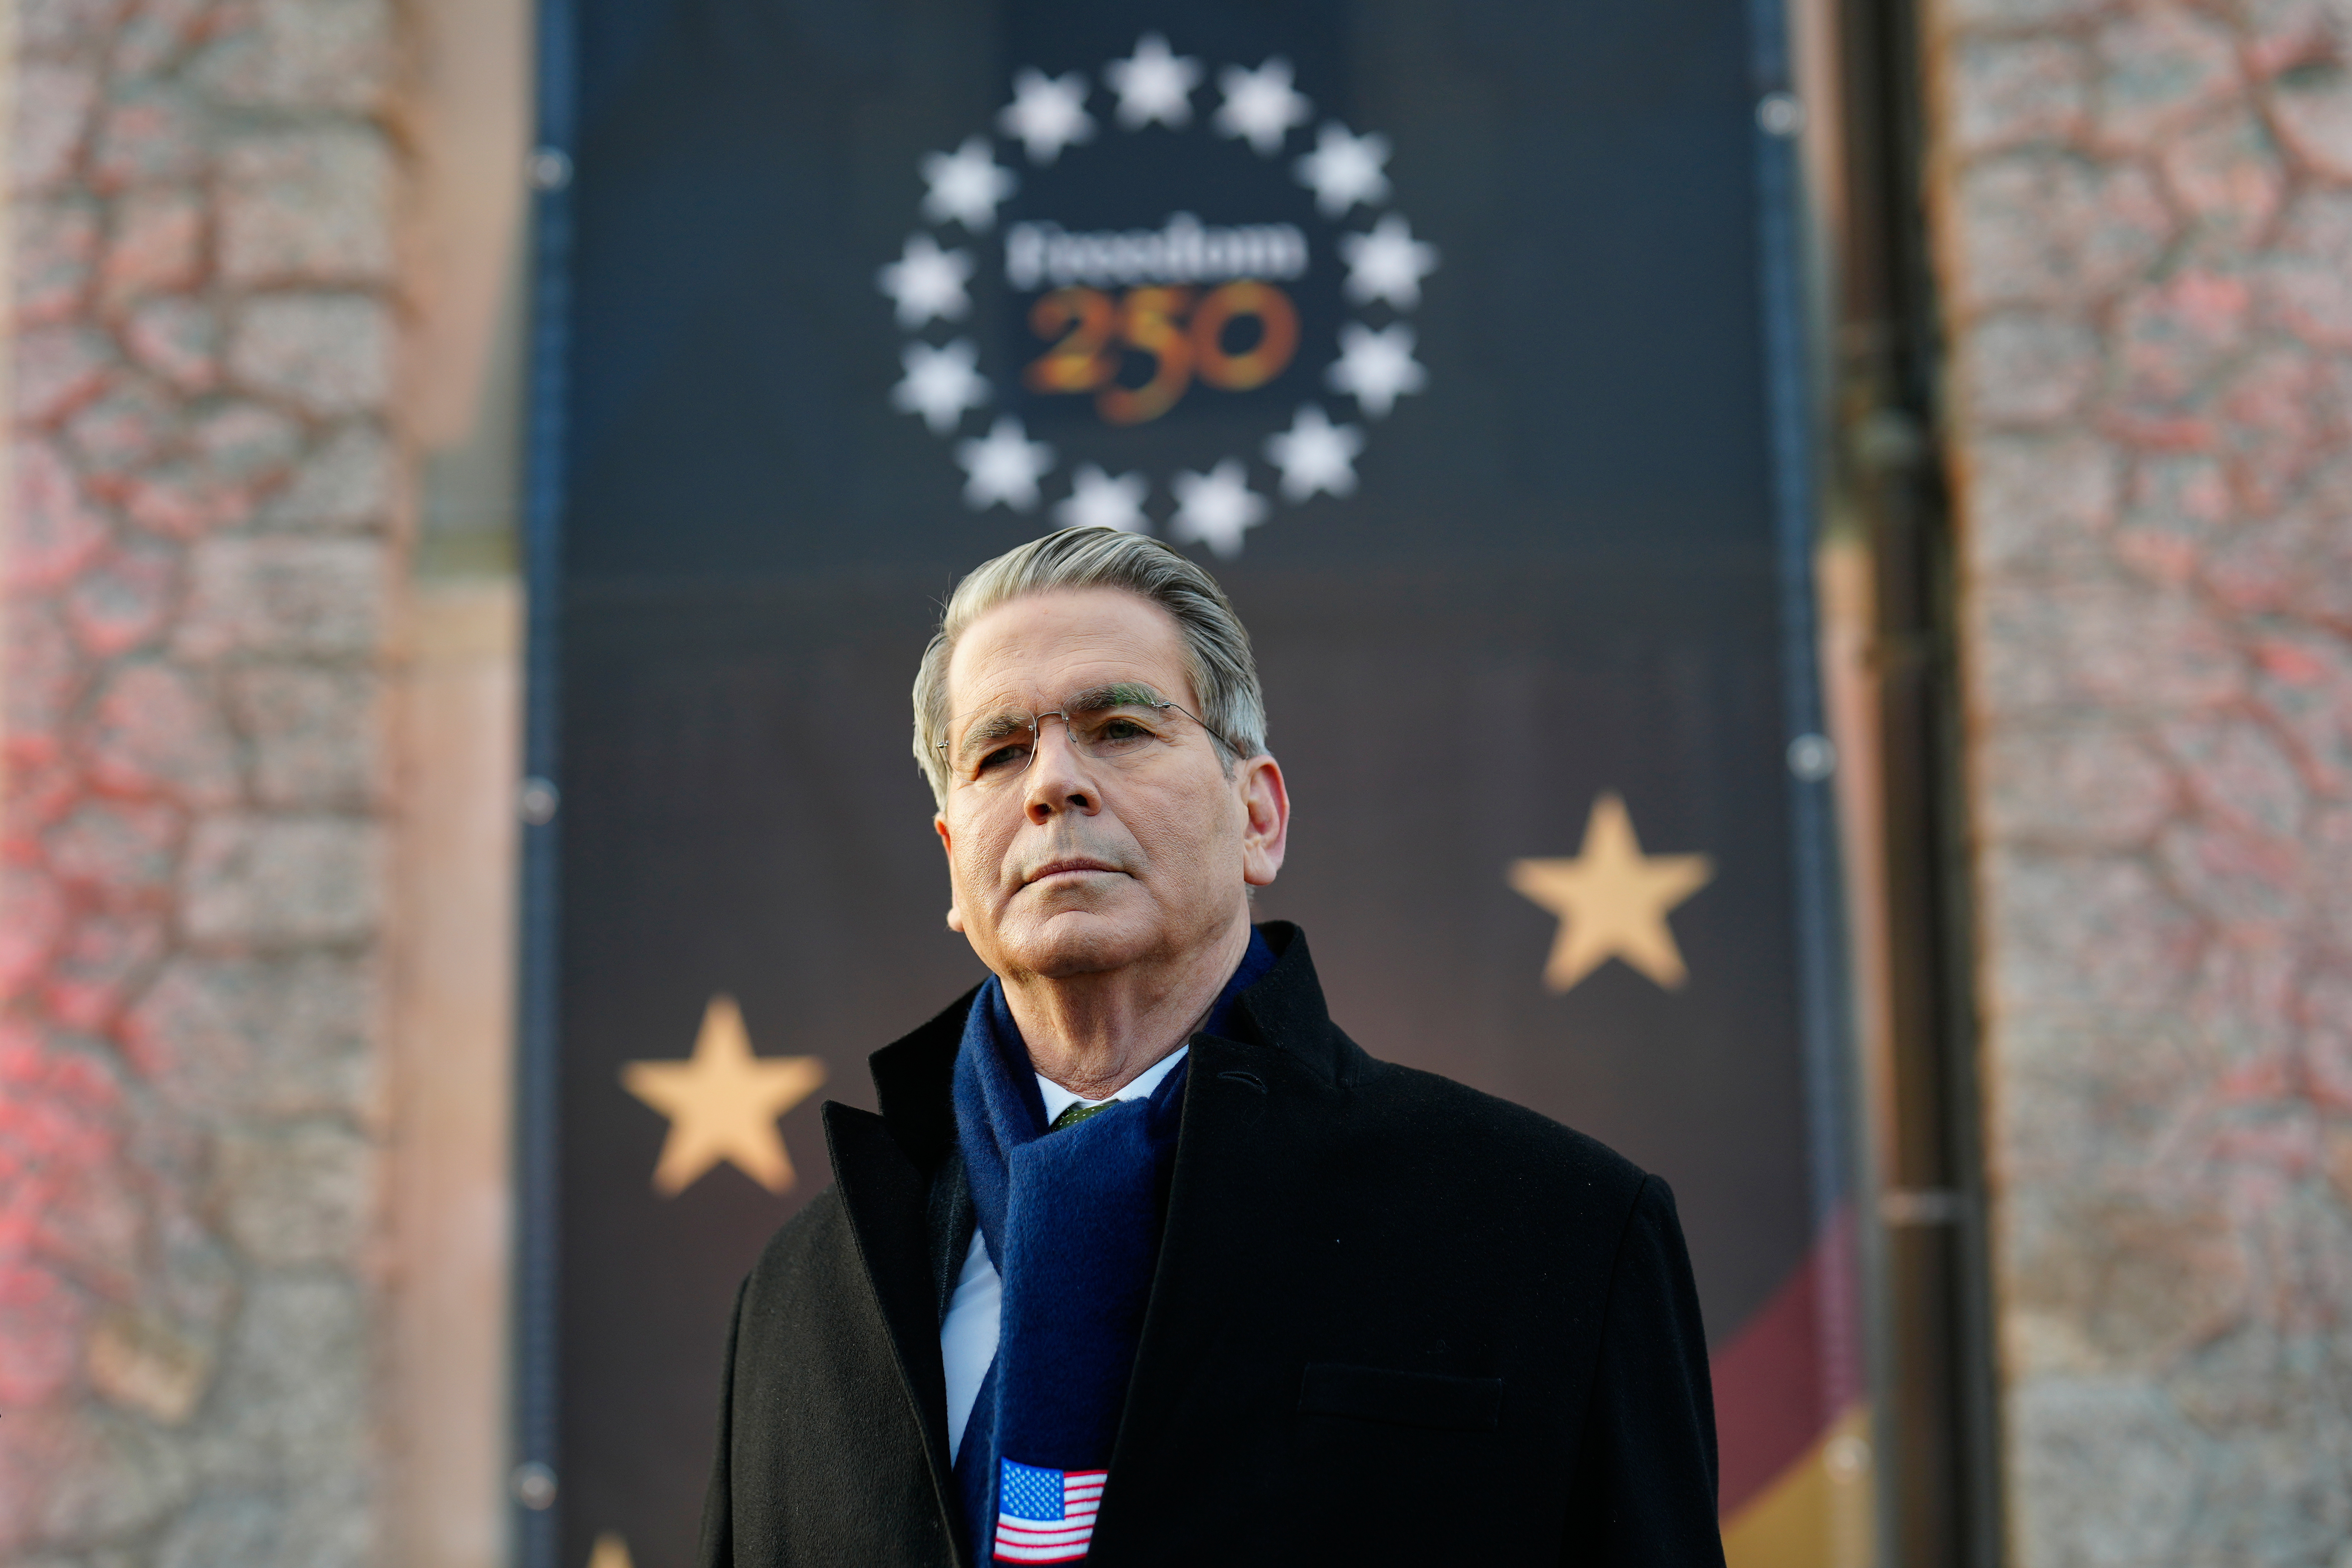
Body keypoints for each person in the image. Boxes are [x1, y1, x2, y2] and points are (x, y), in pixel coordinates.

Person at [697, 527, 1726, 1566]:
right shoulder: (793, 1302)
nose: (1053, 782)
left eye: (1120, 728)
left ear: (1258, 818)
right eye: (1000, 752)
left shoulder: (1564, 1231)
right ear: (955, 863)